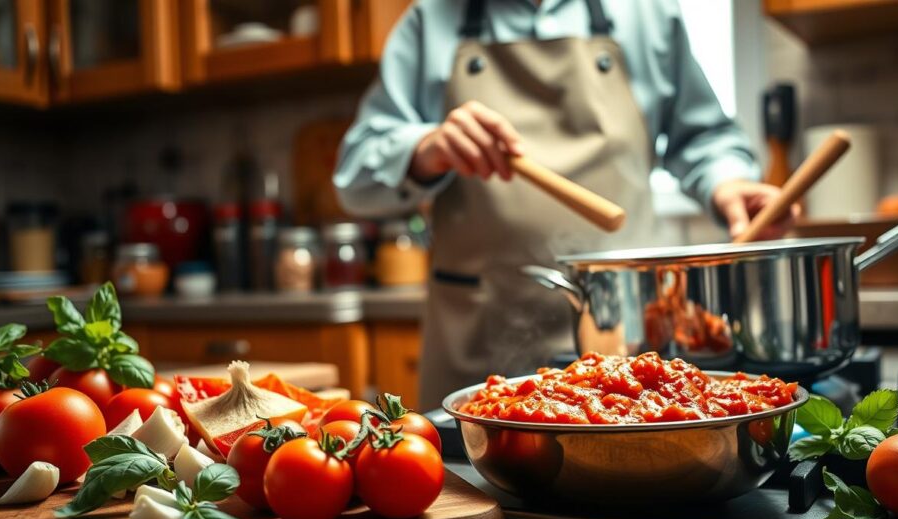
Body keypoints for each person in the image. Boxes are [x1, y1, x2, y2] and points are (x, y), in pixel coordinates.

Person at [335, 0, 796, 410]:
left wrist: (727, 183)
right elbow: (353, 178)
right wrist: (422, 149)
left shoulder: (649, 12)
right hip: (479, 338)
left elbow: (704, 137)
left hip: (628, 340)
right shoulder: (428, 20)